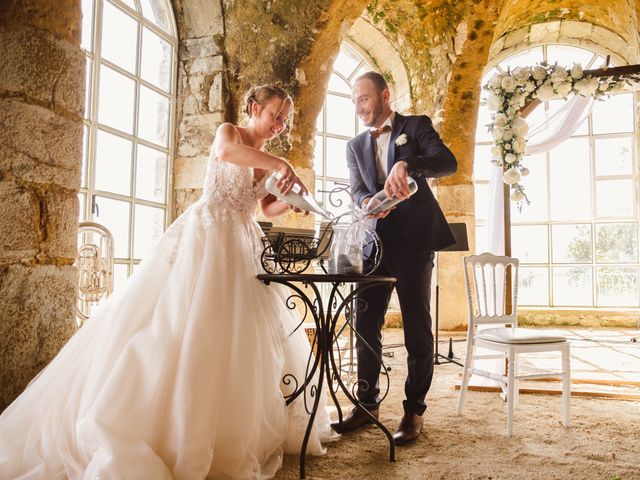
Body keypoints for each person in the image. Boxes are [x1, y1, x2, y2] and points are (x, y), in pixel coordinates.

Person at [0, 84, 338, 479]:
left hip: (245, 240)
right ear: (253, 108)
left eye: (285, 119)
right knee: (181, 324)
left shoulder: (268, 162)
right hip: (207, 235)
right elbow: (228, 155)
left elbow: (266, 207)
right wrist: (279, 162)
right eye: (274, 115)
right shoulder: (229, 133)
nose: (280, 124)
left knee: (240, 336)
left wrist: (294, 198)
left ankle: (232, 425)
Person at [331, 71, 457, 445]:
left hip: (416, 243)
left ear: (385, 95)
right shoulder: (354, 146)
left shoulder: (415, 127)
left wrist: (409, 164)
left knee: (417, 327)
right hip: (374, 245)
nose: (359, 107)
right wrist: (366, 203)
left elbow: (448, 162)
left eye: (364, 99)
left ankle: (413, 411)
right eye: (354, 101)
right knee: (364, 324)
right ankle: (367, 404)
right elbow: (356, 191)